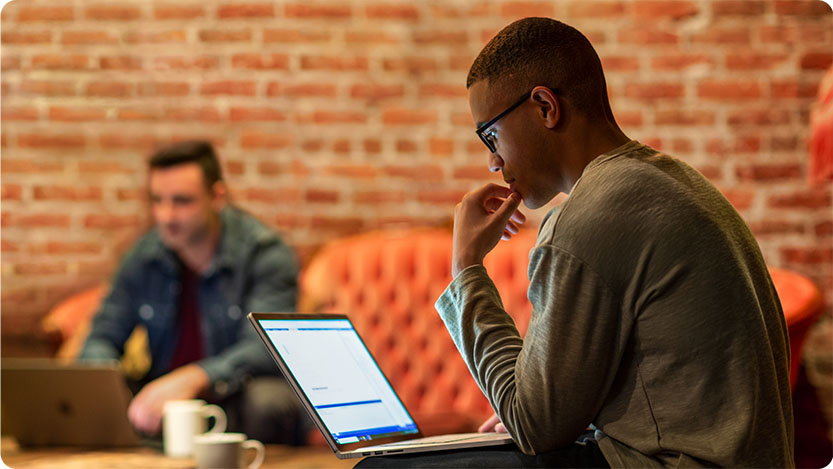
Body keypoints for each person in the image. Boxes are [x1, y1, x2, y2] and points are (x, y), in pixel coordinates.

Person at [359, 17, 793, 468]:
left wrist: (466, 267)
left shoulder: (589, 217)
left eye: (490, 135)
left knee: (382, 467)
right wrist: (545, 413)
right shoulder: (675, 180)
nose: (492, 161)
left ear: (545, 106)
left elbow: (532, 425)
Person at [79, 140, 310, 445]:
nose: (166, 216)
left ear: (217, 197)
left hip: (234, 393)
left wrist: (195, 378)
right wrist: (106, 386)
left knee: (269, 402)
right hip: (166, 398)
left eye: (182, 201)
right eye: (157, 201)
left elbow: (267, 349)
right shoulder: (144, 256)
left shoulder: (264, 253)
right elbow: (102, 337)